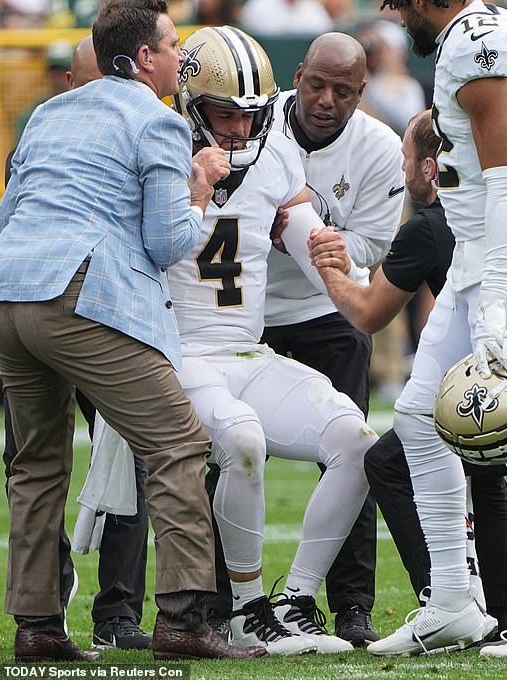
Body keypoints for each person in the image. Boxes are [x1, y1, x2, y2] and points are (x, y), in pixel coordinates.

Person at [0, 0, 266, 663]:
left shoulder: (49, 113)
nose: (182, 52)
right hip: (79, 293)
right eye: (171, 42)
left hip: (7, 293)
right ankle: (186, 618)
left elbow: (7, 215)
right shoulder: (156, 122)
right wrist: (200, 186)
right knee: (179, 444)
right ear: (142, 60)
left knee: (37, 464)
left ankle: (38, 626)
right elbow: (166, 245)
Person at [94, 24, 379, 656]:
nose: (241, 131)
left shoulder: (275, 151)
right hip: (176, 351)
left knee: (358, 441)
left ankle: (294, 602)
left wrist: (335, 263)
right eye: (225, 114)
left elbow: (305, 228)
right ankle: (245, 610)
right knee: (243, 439)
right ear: (192, 104)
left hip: (247, 350)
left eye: (250, 115)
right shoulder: (151, 144)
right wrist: (193, 190)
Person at [344, 0, 507, 657]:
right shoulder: (472, 35)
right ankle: (452, 600)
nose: (398, 17)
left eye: (401, 3)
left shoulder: (476, 43)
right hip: (481, 257)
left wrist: (492, 304)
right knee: (420, 416)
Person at [1, 35, 152, 652]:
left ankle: (118, 612)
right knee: (34, 460)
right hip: (47, 303)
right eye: (88, 87)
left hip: (106, 308)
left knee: (131, 457)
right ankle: (43, 611)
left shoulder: (137, 131)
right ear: (69, 84)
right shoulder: (40, 134)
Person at [261, 32, 405, 647]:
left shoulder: (380, 146)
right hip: (249, 312)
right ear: (298, 75)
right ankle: (215, 602)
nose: (325, 100)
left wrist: (334, 244)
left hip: (331, 309)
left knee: (352, 455)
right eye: (316, 84)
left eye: (342, 91)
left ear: (361, 93)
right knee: (225, 456)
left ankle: (351, 606)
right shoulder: (253, 122)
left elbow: (376, 243)